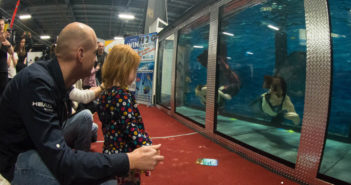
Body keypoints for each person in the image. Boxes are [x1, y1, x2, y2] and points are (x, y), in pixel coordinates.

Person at [0, 22, 164, 185]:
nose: (96, 60)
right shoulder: (37, 83)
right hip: (18, 159)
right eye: (94, 53)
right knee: (106, 182)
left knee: (86, 118)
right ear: (80, 54)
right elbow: (63, 162)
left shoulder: (57, 79)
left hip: (39, 145)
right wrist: (129, 160)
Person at [97, 44, 152, 185]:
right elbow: (130, 126)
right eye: (134, 70)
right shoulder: (123, 96)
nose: (135, 74)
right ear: (124, 69)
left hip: (110, 153)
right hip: (126, 155)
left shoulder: (104, 94)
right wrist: (146, 146)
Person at [0, 17, 14, 96]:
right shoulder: (2, 38)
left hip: (4, 70)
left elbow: (11, 52)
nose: (1, 26)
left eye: (2, 24)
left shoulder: (7, 38)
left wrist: (9, 45)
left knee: (3, 94)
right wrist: (1, 40)